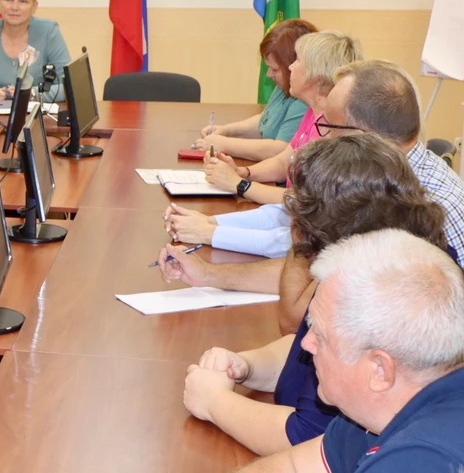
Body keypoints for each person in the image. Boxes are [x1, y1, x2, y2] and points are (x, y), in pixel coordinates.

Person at [177, 134, 448, 457]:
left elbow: (309, 436)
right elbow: (309, 348)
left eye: (299, 205)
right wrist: (248, 365)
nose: (291, 209)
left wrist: (215, 402)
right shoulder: (372, 256)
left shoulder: (383, 291)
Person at [161, 60, 464, 331]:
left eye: (328, 125)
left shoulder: (409, 204)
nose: (322, 137)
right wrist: (209, 275)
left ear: (361, 137)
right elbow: (320, 273)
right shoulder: (384, 178)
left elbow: (301, 310)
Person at [237, 230, 464, 472]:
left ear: (379, 370)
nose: (305, 343)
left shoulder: (421, 459)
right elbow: (294, 466)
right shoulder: (377, 406)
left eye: (320, 335)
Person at [203, 30, 362, 204]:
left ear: (316, 74)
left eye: (297, 61)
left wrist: (239, 184)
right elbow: (283, 163)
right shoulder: (312, 112)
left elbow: (305, 201)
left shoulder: (333, 127)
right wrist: (244, 172)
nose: (290, 67)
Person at [193, 19, 316, 161]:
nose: (268, 74)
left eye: (275, 69)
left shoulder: (304, 98)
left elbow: (279, 150)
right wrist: (226, 131)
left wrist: (223, 144)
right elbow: (266, 121)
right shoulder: (284, 85)